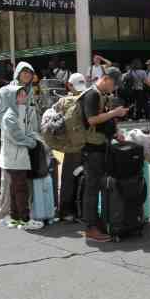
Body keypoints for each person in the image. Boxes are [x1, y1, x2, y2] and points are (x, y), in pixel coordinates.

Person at [81, 71, 129, 242]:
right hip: (92, 149)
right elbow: (92, 120)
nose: (114, 89)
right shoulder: (92, 94)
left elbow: (104, 122)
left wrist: (116, 133)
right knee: (92, 189)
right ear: (106, 79)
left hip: (101, 147)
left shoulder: (101, 95)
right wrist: (114, 113)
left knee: (98, 187)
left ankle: (97, 222)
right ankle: (90, 228)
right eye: (114, 85)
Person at [0, 62, 39, 219]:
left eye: (30, 72)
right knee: (11, 180)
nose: (27, 74)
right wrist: (13, 132)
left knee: (24, 180)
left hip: (29, 139)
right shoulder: (6, 90)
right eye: (24, 71)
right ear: (18, 72)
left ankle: (23, 210)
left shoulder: (31, 91)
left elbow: (33, 117)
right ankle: (11, 211)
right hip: (12, 141)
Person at [0, 85, 43, 230]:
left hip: (16, 157)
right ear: (12, 98)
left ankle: (15, 218)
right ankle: (25, 220)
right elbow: (17, 136)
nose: (24, 96)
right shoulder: (10, 115)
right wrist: (32, 143)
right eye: (20, 94)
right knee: (21, 188)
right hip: (14, 157)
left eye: (24, 94)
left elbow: (27, 131)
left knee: (15, 188)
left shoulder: (20, 112)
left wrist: (33, 139)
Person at [58, 72, 88, 222]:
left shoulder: (63, 101)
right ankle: (75, 210)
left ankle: (68, 210)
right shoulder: (86, 98)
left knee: (70, 178)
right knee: (78, 178)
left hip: (72, 146)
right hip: (84, 145)